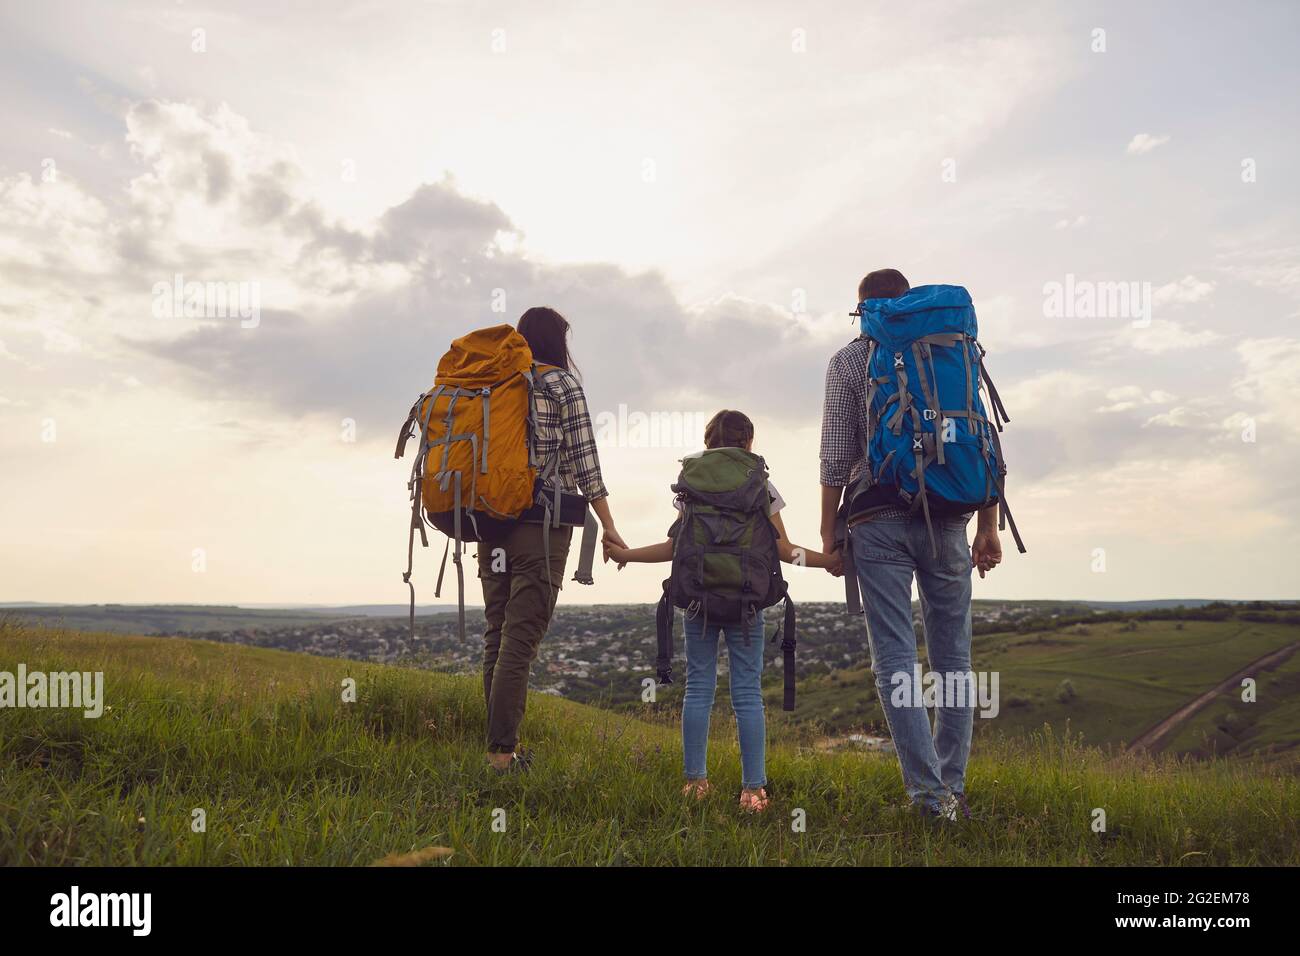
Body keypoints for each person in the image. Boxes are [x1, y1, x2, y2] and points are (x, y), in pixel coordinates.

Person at [819, 269, 1002, 820]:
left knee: (895, 659)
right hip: (949, 517)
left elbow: (835, 452)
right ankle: (955, 789)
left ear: (863, 310)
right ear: (911, 300)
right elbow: (982, 437)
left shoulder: (850, 360)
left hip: (876, 517)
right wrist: (988, 526)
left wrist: (830, 533)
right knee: (953, 661)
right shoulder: (952, 348)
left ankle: (928, 800)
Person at [605, 409, 835, 812]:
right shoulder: (762, 485)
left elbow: (675, 548)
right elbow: (784, 549)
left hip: (698, 600)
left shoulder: (692, 485)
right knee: (746, 694)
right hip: (747, 602)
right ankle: (753, 792)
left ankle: (695, 783)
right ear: (749, 443)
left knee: (698, 689)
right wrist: (829, 561)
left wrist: (626, 554)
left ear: (708, 442)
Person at [479, 307, 626, 772]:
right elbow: (586, 462)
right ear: (557, 342)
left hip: (490, 523)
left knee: (497, 633)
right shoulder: (561, 384)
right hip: (541, 528)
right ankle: (502, 755)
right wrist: (609, 524)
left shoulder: (495, 381)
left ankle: (498, 746)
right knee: (520, 641)